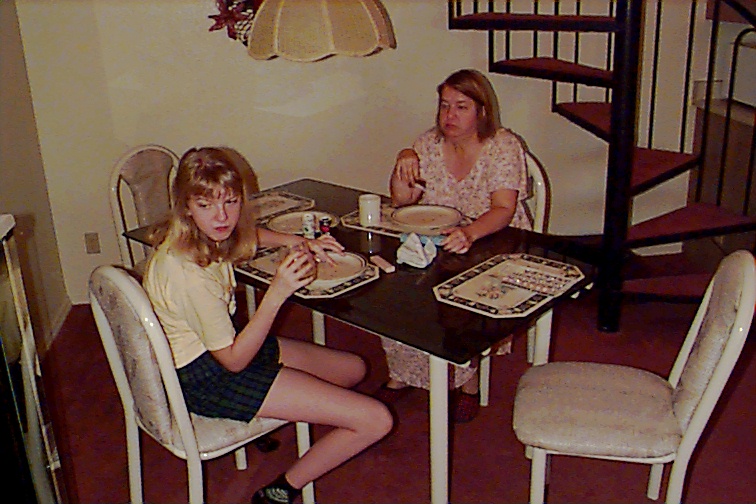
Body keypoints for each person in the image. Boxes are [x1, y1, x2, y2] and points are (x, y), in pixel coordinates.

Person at [143, 147, 393, 504]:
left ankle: (269, 408)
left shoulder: (199, 234)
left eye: (230, 201)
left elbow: (246, 237)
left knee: (353, 369)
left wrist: (300, 241)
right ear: (186, 206)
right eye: (206, 205)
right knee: (376, 420)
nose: (222, 216)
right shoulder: (189, 275)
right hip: (210, 376)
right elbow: (233, 362)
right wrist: (277, 293)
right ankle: (281, 490)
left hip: (220, 349)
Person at [382, 69, 533, 422]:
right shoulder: (427, 144)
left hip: (494, 238)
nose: (450, 115)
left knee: (463, 299)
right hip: (441, 240)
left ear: (482, 111)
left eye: (461, 107)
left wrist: (470, 233)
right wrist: (403, 160)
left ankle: (469, 383)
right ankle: (402, 371)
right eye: (445, 105)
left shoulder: (503, 145)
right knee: (397, 290)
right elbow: (402, 202)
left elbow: (504, 209)